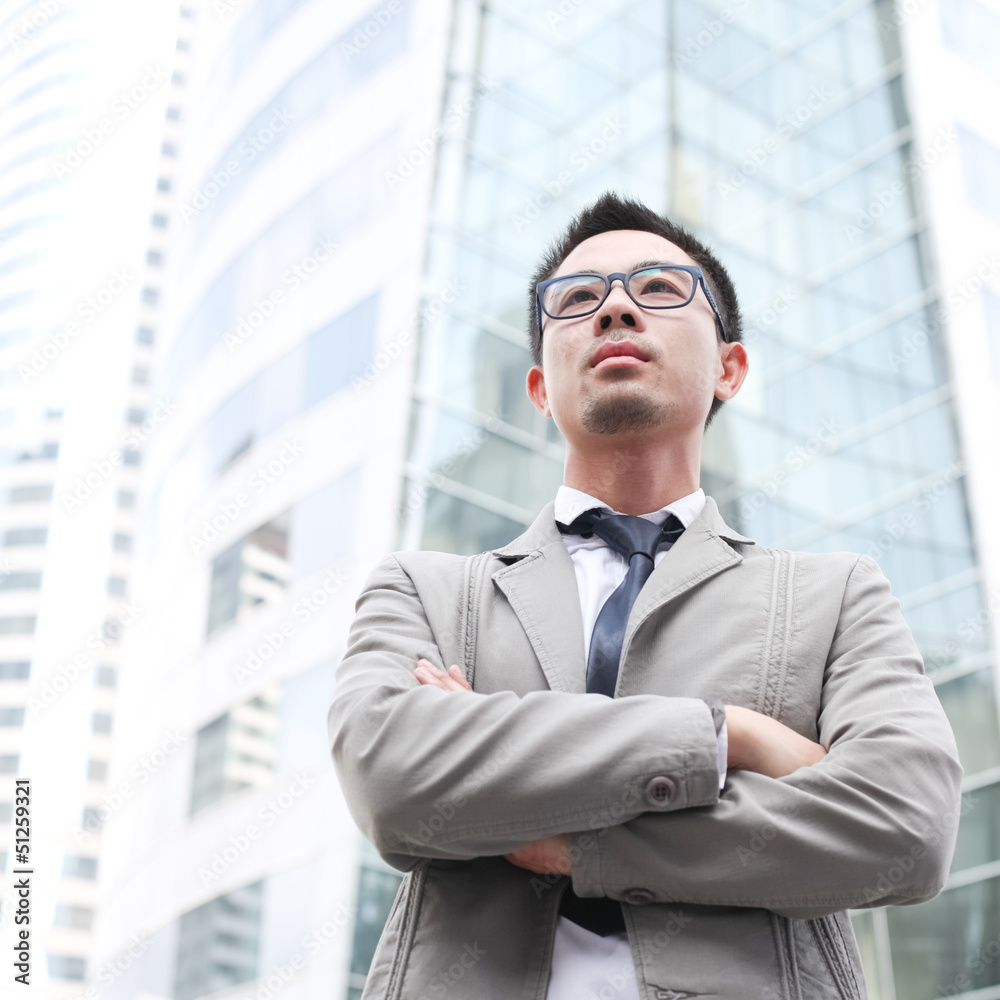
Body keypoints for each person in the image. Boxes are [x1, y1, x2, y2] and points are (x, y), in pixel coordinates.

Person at [327, 192, 963, 1000]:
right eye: (578, 299)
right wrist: (729, 737)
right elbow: (395, 780)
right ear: (538, 388)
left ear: (730, 367)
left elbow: (906, 828)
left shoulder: (835, 595)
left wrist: (583, 849)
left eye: (660, 288)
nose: (617, 307)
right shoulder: (428, 591)